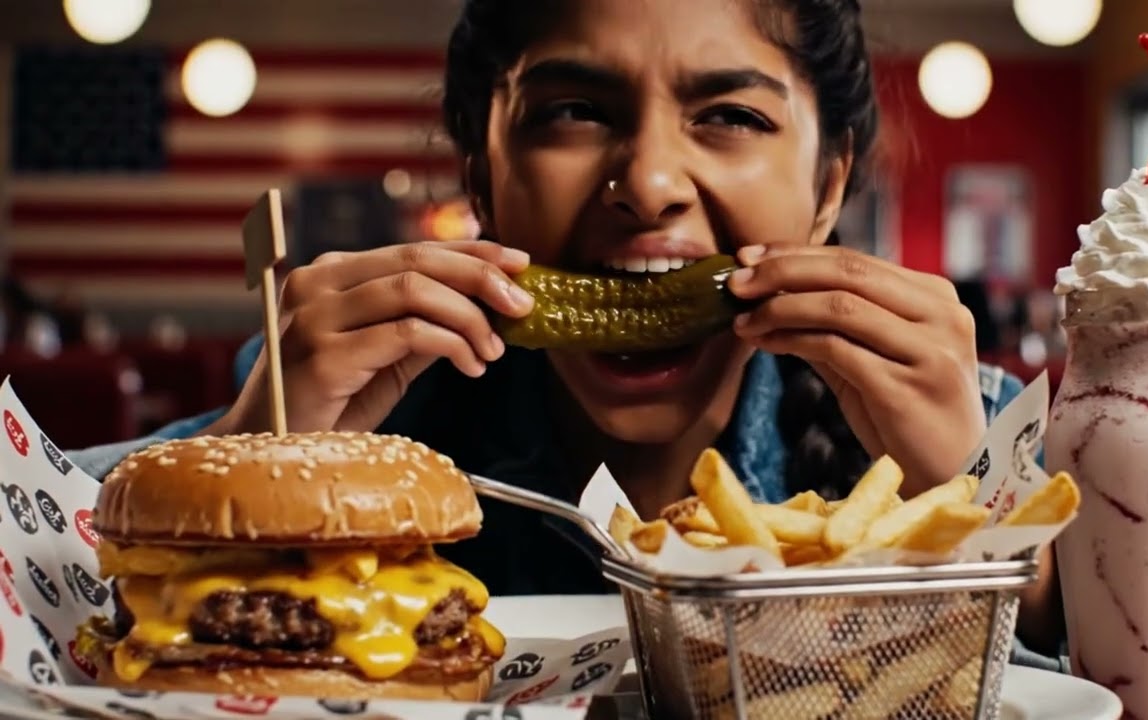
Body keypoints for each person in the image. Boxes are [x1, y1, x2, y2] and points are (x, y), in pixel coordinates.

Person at [66, 0, 1065, 673]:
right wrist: (240, 465)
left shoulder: (963, 428)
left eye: (726, 115)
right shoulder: (329, 411)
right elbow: (45, 585)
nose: (649, 183)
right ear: (480, 174)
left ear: (829, 184)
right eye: (574, 112)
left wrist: (1013, 551)